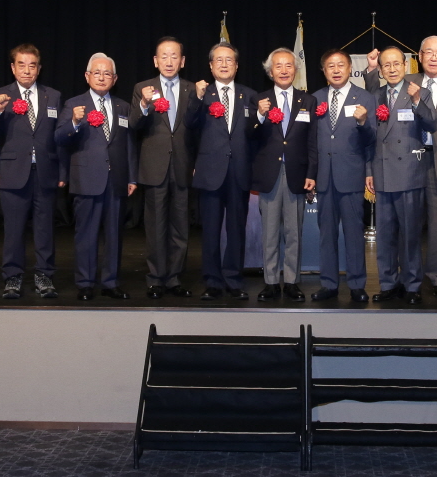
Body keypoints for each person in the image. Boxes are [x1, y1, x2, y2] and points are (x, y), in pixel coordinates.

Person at [365, 35, 437, 297]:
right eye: (428, 52)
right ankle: (399, 280)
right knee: (401, 227)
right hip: (405, 164)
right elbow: (374, 97)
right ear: (418, 57)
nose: (433, 57)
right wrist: (371, 70)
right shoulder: (406, 79)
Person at [56, 53, 137, 300]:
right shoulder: (74, 104)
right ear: (87, 76)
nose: (102, 77)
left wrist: (132, 177)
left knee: (114, 235)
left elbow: (129, 144)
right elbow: (59, 138)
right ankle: (85, 283)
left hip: (116, 180)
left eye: (107, 74)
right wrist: (74, 122)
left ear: (115, 79)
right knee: (86, 234)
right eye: (97, 73)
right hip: (86, 178)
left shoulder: (123, 107)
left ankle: (111, 282)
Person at [0, 43, 65, 300]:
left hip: (45, 171)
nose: (27, 70)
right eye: (21, 65)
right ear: (13, 68)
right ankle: (13, 277)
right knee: (13, 229)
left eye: (32, 65)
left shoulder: (53, 96)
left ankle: (44, 275)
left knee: (45, 229)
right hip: (13, 172)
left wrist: (63, 171)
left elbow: (59, 138)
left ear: (39, 68)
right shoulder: (0, 95)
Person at [186, 43, 259, 300]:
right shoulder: (201, 94)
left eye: (229, 60)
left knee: (236, 228)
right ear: (210, 65)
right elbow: (189, 125)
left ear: (237, 66)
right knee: (210, 230)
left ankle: (234, 279)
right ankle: (212, 280)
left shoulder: (250, 95)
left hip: (239, 171)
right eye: (219, 60)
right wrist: (196, 98)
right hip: (210, 172)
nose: (224, 64)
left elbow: (256, 135)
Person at [129, 37, 199, 299]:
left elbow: (197, 130)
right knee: (156, 226)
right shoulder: (143, 88)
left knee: (181, 226)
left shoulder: (192, 89)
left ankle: (174, 278)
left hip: (182, 165)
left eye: (174, 56)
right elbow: (134, 125)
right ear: (156, 61)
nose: (169, 61)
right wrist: (144, 105)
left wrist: (196, 163)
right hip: (154, 167)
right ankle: (156, 278)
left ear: (182, 61)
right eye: (164, 56)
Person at [369, 46, 437, 305]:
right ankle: (388, 283)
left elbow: (433, 124)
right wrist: (368, 171)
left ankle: (412, 285)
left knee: (409, 235)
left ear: (405, 65)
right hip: (382, 173)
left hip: (409, 173)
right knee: (385, 235)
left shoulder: (419, 91)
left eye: (396, 64)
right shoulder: (375, 95)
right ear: (381, 69)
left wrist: (418, 101)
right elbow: (369, 138)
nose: (392, 69)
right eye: (386, 65)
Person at [252, 48, 317, 302]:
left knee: (294, 233)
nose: (284, 70)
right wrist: (259, 114)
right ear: (270, 72)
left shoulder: (307, 101)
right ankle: (270, 282)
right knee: (269, 234)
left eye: (288, 65)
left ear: (296, 70)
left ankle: (291, 281)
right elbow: (249, 135)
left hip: (297, 174)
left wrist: (312, 172)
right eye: (278, 66)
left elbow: (312, 141)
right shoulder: (259, 99)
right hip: (269, 174)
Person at [310, 48, 375, 303]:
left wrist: (363, 122)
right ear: (324, 71)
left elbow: (372, 140)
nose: (336, 70)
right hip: (324, 178)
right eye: (330, 66)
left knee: (354, 233)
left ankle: (357, 285)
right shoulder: (315, 99)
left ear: (350, 69)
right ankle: (328, 284)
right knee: (326, 234)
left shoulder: (365, 98)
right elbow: (311, 142)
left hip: (351, 175)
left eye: (341, 65)